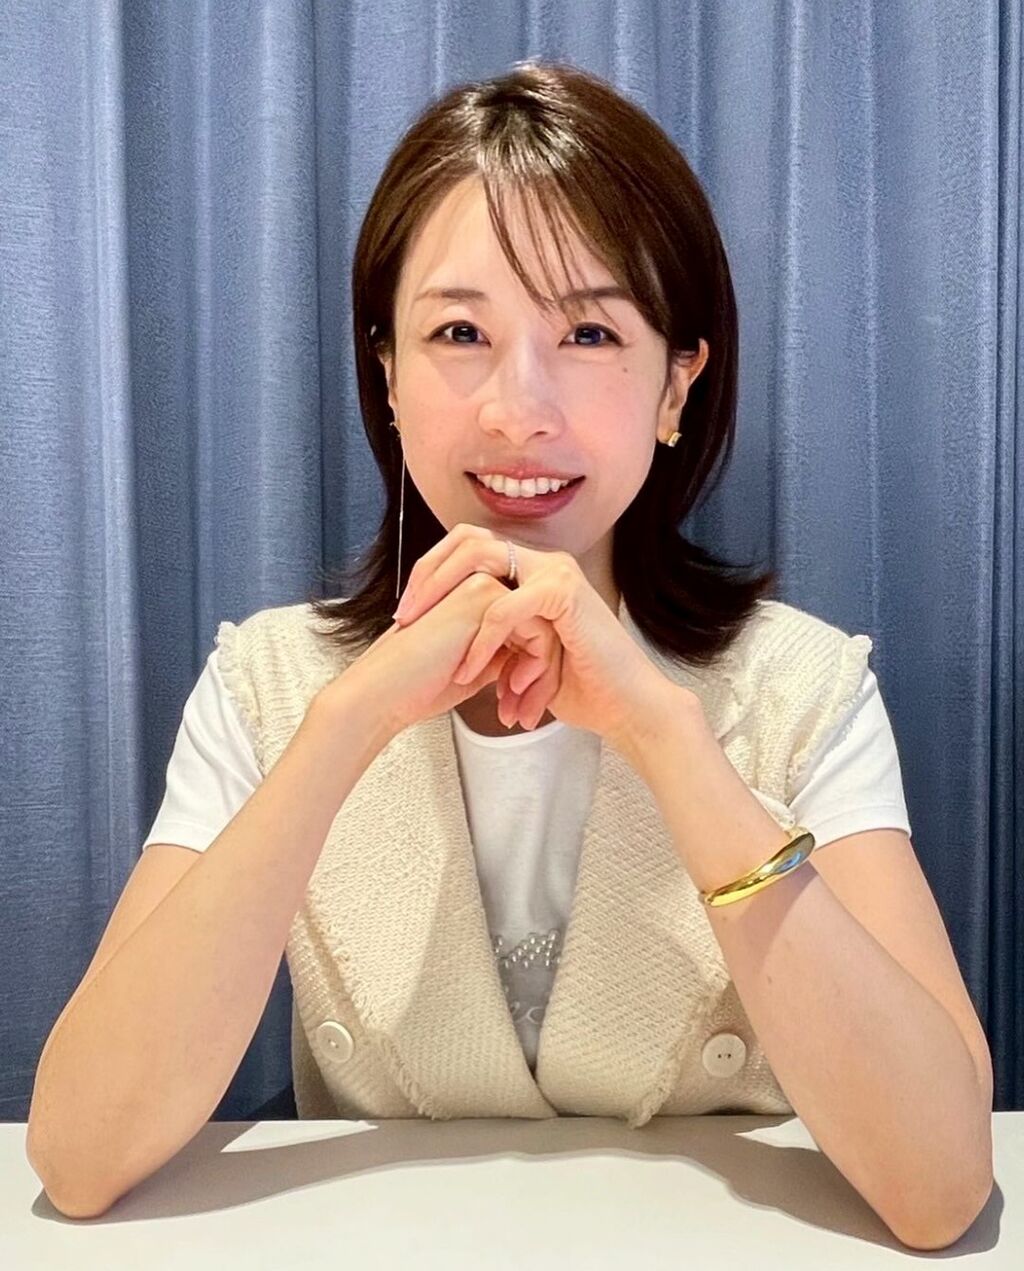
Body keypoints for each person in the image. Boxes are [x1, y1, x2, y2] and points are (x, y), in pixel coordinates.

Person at [31, 62, 988, 1244]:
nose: (516, 409)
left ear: (676, 382)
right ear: (385, 373)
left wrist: (668, 736)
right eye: (458, 332)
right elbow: (81, 1156)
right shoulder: (269, 684)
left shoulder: (802, 687)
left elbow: (939, 1183)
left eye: (587, 330)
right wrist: (347, 725)